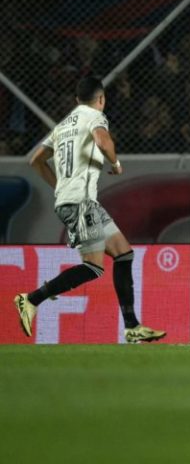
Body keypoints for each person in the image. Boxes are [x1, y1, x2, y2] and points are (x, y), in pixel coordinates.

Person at [14, 76, 166, 343]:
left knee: (124, 253)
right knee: (93, 268)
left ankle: (132, 327)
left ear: (76, 100)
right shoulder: (95, 116)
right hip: (80, 202)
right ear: (101, 99)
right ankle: (31, 299)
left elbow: (35, 159)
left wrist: (60, 186)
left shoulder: (64, 125)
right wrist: (116, 163)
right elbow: (102, 140)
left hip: (80, 201)